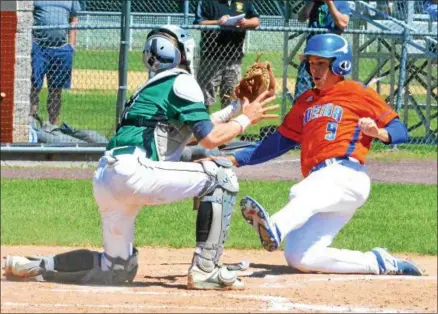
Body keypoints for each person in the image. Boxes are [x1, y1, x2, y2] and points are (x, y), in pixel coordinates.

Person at [3, 25, 278, 290]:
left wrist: (235, 109)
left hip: (107, 178)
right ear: (182, 52)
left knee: (116, 270)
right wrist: (245, 119)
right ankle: (206, 270)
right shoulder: (183, 81)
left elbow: (187, 135)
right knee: (222, 176)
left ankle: (35, 265)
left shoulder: (148, 89)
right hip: (134, 172)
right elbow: (209, 139)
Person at [209, 33, 424, 276]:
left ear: (340, 64)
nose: (314, 70)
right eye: (311, 64)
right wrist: (236, 159)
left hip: (346, 174)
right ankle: (379, 262)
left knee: (302, 192)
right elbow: (279, 142)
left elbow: (400, 130)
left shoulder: (357, 92)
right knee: (300, 256)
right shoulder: (306, 101)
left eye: (321, 63)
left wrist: (379, 132)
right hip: (323, 185)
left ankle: (276, 227)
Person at [194, 0, 260, 111]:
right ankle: (204, 126)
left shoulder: (245, 2)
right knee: (204, 98)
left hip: (234, 59)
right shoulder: (206, 2)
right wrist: (218, 22)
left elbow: (256, 20)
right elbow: (198, 23)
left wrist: (246, 22)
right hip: (210, 58)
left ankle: (227, 126)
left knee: (231, 98)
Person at [30, 0, 81, 126]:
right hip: (39, 47)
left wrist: (71, 45)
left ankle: (53, 126)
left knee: (56, 90)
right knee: (34, 87)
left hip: (62, 49)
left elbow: (73, 19)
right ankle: (30, 123)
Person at [294, 0, 351, 101]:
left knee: (331, 92)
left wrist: (329, 3)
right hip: (311, 55)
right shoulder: (313, 2)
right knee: (302, 94)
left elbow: (343, 23)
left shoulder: (341, 2)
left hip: (330, 57)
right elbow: (301, 18)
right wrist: (311, 2)